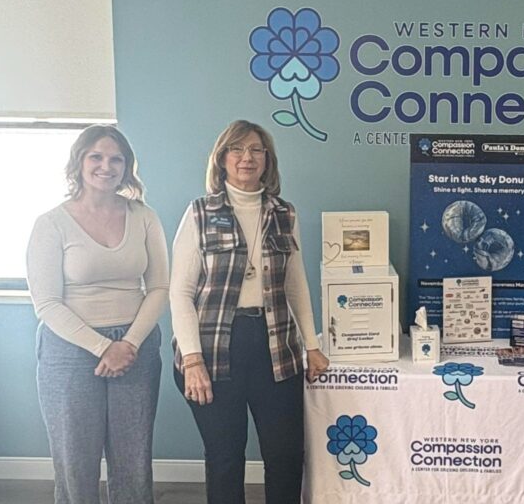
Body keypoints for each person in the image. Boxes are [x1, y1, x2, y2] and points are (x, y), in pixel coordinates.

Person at [170, 120, 329, 504]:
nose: (247, 157)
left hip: (275, 347)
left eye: (256, 150)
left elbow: (296, 285)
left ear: (267, 160)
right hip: (212, 350)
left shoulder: (284, 214)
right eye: (237, 149)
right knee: (225, 457)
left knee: (286, 455)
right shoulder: (199, 213)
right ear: (221, 158)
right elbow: (180, 292)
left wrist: (311, 344)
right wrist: (192, 359)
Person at [27, 125, 169, 504]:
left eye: (116, 159)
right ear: (79, 162)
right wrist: (103, 347)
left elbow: (158, 287)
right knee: (76, 464)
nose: (106, 166)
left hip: (135, 347)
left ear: (127, 167)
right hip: (70, 351)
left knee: (133, 463)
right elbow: (46, 303)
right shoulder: (50, 223)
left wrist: (128, 344)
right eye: (96, 156)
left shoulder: (145, 216)